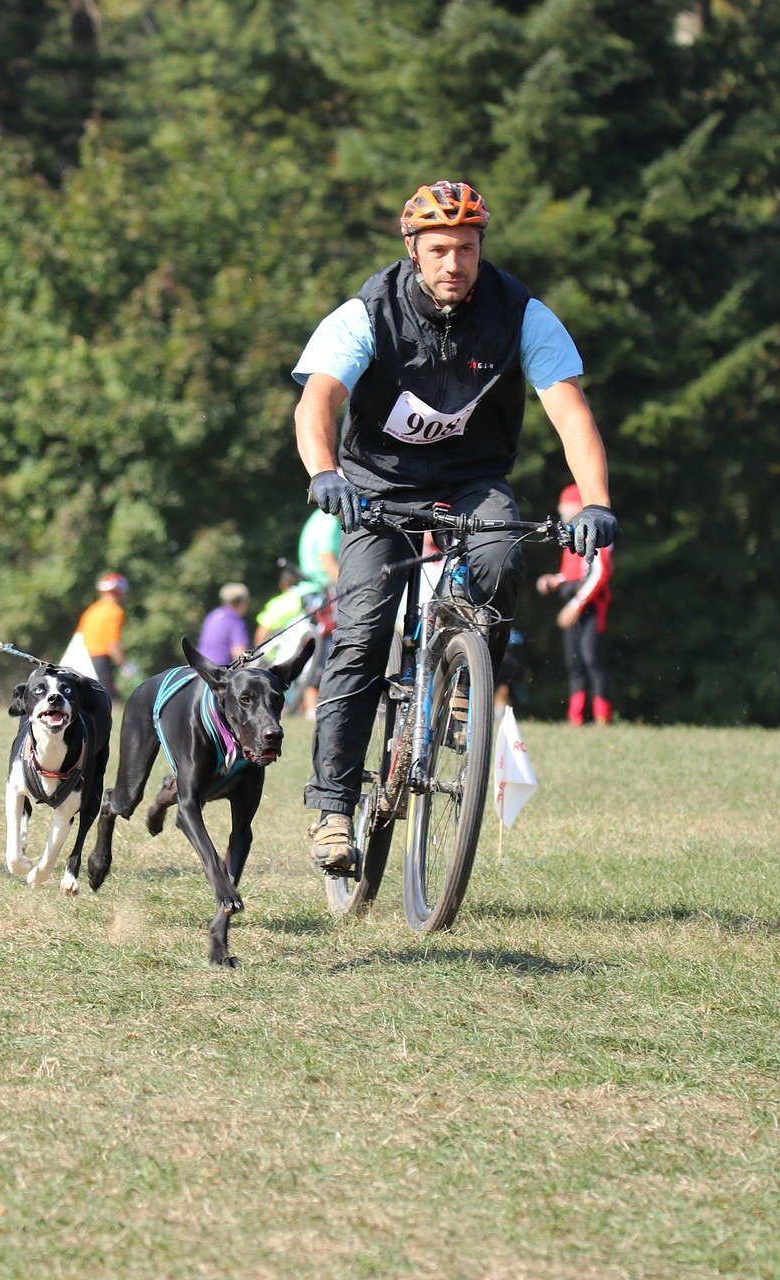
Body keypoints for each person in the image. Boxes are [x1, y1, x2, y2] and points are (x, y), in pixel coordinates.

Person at [291, 180, 619, 872]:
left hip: (473, 483)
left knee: (502, 551)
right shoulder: (368, 312)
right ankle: (331, 809)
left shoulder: (520, 313)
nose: (453, 263)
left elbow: (570, 412)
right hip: (377, 487)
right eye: (439, 249)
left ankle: (469, 683)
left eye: (466, 248)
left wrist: (592, 500)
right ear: (412, 249)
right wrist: (325, 472)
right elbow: (319, 398)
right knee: (359, 633)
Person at [536, 483, 614, 724]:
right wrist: (555, 580)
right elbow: (571, 574)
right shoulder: (568, 535)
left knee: (592, 658)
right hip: (574, 603)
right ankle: (575, 717)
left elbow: (600, 573)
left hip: (590, 607)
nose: (561, 509)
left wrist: (576, 605)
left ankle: (603, 717)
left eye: (565, 504)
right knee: (574, 662)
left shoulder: (595, 532)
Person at [255, 561, 324, 716]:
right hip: (308, 652)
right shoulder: (310, 601)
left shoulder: (282, 602)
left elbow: (263, 629)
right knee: (310, 680)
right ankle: (311, 713)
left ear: (283, 584)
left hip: (281, 657)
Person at [77, 572, 128, 698]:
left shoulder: (92, 610)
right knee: (110, 698)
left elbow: (79, 636)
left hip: (84, 657)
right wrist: (124, 665)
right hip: (102, 659)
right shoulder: (116, 611)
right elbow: (112, 644)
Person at [195, 582, 252, 665]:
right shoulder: (235, 620)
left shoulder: (212, 615)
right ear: (241, 602)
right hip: (219, 671)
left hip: (200, 666)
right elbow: (239, 654)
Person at [296, 506, 342, 589]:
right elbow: (327, 561)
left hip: (312, 589)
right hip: (322, 590)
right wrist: (348, 585)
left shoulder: (320, 516)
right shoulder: (330, 519)